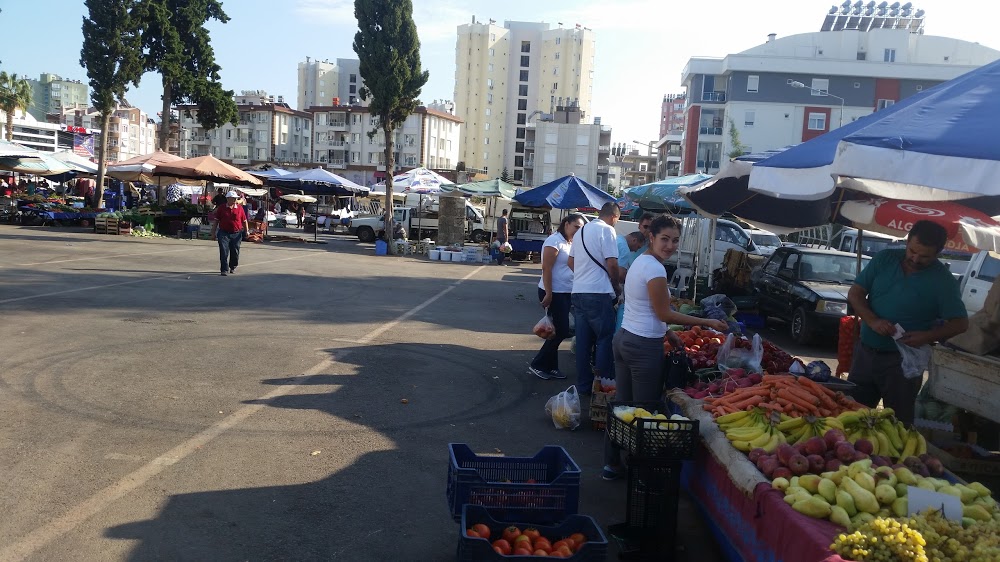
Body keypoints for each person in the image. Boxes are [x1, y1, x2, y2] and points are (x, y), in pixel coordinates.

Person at [602, 215, 729, 480]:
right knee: (646, 413)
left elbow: (644, 308)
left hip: (625, 338)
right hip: (642, 347)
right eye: (664, 239)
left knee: (623, 406)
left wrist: (668, 333)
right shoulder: (655, 269)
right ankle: (642, 475)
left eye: (675, 240)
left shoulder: (641, 261)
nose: (670, 245)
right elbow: (663, 312)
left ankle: (611, 464)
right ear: (651, 237)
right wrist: (706, 321)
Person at [846, 220, 969, 425]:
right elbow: (855, 293)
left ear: (938, 252)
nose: (915, 259)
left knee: (897, 423)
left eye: (925, 256)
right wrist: (873, 321)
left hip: (903, 363)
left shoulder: (943, 280)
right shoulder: (885, 259)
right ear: (907, 241)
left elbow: (961, 323)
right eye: (912, 251)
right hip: (865, 354)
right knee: (851, 416)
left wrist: (926, 337)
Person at [568, 202, 622, 395]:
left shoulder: (581, 232)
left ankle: (583, 386)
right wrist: (616, 285)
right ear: (614, 217)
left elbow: (570, 261)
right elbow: (612, 264)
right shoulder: (607, 230)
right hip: (598, 293)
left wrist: (583, 276)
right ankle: (602, 387)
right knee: (604, 339)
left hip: (578, 292)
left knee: (583, 343)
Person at [529, 213, 586, 380]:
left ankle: (551, 366)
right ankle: (538, 364)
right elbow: (546, 268)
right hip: (553, 291)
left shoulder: (571, 242)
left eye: (581, 229)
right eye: (576, 227)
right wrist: (548, 293)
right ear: (566, 224)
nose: (578, 231)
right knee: (561, 330)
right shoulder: (554, 241)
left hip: (566, 291)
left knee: (557, 330)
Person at [210, 191, 250, 276]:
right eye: (233, 198)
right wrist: (213, 233)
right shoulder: (221, 208)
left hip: (237, 233)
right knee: (224, 251)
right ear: (228, 199)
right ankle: (224, 269)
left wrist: (247, 231)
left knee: (235, 251)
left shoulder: (239, 208)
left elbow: (244, 220)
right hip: (223, 233)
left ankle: (233, 266)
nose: (235, 200)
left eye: (235, 198)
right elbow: (216, 221)